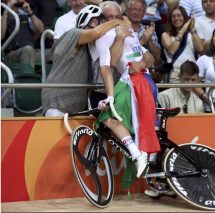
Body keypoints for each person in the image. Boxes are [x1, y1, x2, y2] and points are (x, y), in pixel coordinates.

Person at [93, 1, 158, 178]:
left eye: (117, 17)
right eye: (109, 18)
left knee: (111, 118)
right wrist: (120, 37)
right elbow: (110, 64)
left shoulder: (130, 32)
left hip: (143, 82)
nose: (115, 21)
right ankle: (139, 155)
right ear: (101, 20)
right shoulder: (106, 36)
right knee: (109, 118)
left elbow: (150, 58)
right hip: (130, 82)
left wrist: (143, 62)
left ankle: (140, 156)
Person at [42, 5, 122, 116]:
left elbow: (112, 61)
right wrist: (118, 21)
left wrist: (120, 37)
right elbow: (97, 32)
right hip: (57, 103)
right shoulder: (73, 33)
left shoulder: (91, 47)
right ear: (93, 22)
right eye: (100, 22)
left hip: (76, 107)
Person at [161, 6, 203, 83]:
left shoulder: (192, 34)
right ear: (170, 20)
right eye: (173, 16)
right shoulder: (166, 35)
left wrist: (192, 29)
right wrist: (183, 30)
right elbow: (172, 51)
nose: (176, 18)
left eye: (179, 15)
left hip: (192, 73)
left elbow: (200, 49)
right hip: (175, 74)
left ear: (185, 17)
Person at [1, 0, 44, 69]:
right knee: (28, 50)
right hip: (12, 53)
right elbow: (1, 35)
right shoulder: (2, 17)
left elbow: (41, 29)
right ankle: (28, 79)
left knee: (55, 52)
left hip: (32, 51)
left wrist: (30, 12)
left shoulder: (25, 14)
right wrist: (6, 12)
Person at [126, 0, 161, 65]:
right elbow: (127, 57)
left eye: (140, 10)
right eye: (134, 9)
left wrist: (149, 40)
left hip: (148, 72)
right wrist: (142, 41)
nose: (137, 13)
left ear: (144, 13)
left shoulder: (149, 31)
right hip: (127, 70)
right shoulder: (121, 29)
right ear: (127, 11)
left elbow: (158, 59)